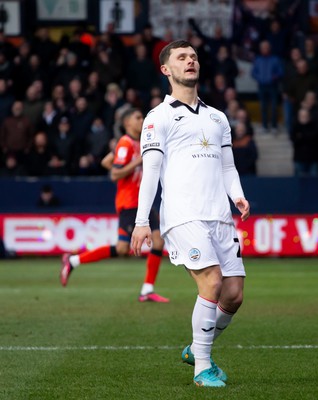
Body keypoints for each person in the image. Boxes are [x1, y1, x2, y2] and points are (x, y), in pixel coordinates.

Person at [130, 40, 250, 387]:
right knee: (211, 282)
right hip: (183, 215)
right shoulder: (158, 117)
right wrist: (142, 222)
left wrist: (238, 196)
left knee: (233, 295)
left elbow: (228, 166)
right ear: (166, 69)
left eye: (194, 56)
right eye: (182, 57)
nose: (190, 61)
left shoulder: (217, 117)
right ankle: (202, 367)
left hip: (220, 216)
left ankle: (198, 346)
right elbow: (150, 172)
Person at [60, 108, 169, 303]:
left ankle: (147, 289)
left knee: (157, 241)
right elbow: (115, 174)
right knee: (122, 249)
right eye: (137, 117)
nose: (141, 119)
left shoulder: (138, 141)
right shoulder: (126, 143)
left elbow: (106, 161)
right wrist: (137, 161)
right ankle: (74, 260)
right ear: (127, 123)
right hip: (129, 203)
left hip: (143, 201)